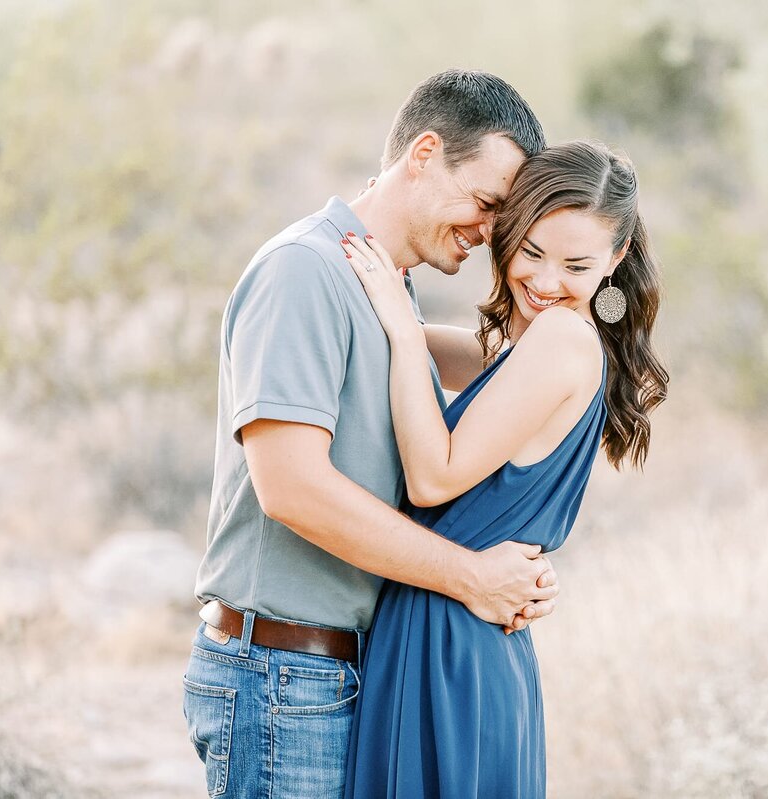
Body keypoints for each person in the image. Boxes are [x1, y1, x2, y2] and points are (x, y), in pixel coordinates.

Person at [182, 70, 558, 799]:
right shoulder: (306, 270)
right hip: (282, 675)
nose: (487, 234)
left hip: (342, 673)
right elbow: (292, 488)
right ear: (423, 153)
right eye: (485, 204)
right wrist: (472, 578)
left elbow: (500, 368)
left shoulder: (382, 286)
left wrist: (574, 316)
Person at [339, 140, 669, 798]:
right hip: (460, 630)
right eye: (531, 252)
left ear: (617, 257)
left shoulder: (563, 340)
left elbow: (434, 477)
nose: (546, 282)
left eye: (576, 264)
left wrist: (403, 333)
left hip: (450, 642)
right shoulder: (541, 344)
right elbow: (453, 354)